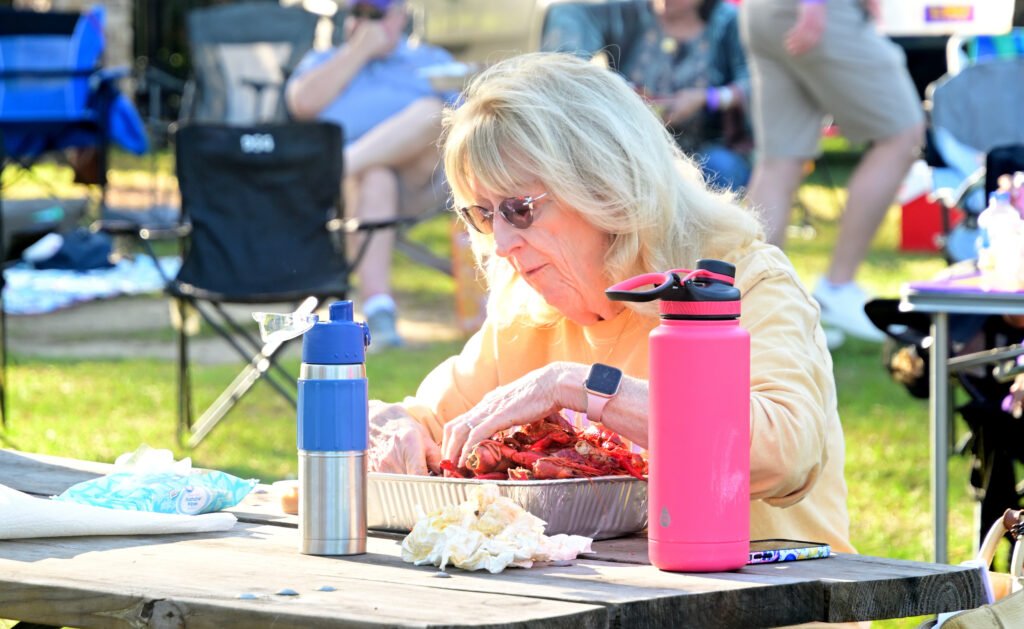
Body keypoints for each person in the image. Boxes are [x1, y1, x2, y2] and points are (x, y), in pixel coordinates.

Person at [368, 52, 853, 552]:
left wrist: (583, 388)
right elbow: (428, 424)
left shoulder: (740, 282)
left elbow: (786, 455)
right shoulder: (529, 309)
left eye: (519, 208)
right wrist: (390, 425)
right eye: (484, 214)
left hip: (775, 587)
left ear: (605, 187)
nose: (503, 242)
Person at [739, 0, 925, 345]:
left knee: (779, 160)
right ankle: (837, 288)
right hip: (813, 11)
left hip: (762, 11)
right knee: (902, 135)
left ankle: (749, 303)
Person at [286, 0, 456, 348]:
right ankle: (380, 312)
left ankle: (340, 165)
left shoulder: (429, 60)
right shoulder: (326, 60)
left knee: (432, 112)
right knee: (376, 175)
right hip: (351, 193)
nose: (364, 23)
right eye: (357, 14)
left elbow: (472, 118)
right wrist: (358, 52)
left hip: (422, 183)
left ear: (400, 17)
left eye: (375, 15)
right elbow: (301, 104)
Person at [542, 0, 752, 191]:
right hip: (637, 148)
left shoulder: (728, 22)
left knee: (719, 169)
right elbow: (569, 13)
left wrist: (707, 98)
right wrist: (589, 79)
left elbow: (754, 83)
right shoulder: (632, 12)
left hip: (707, 149)